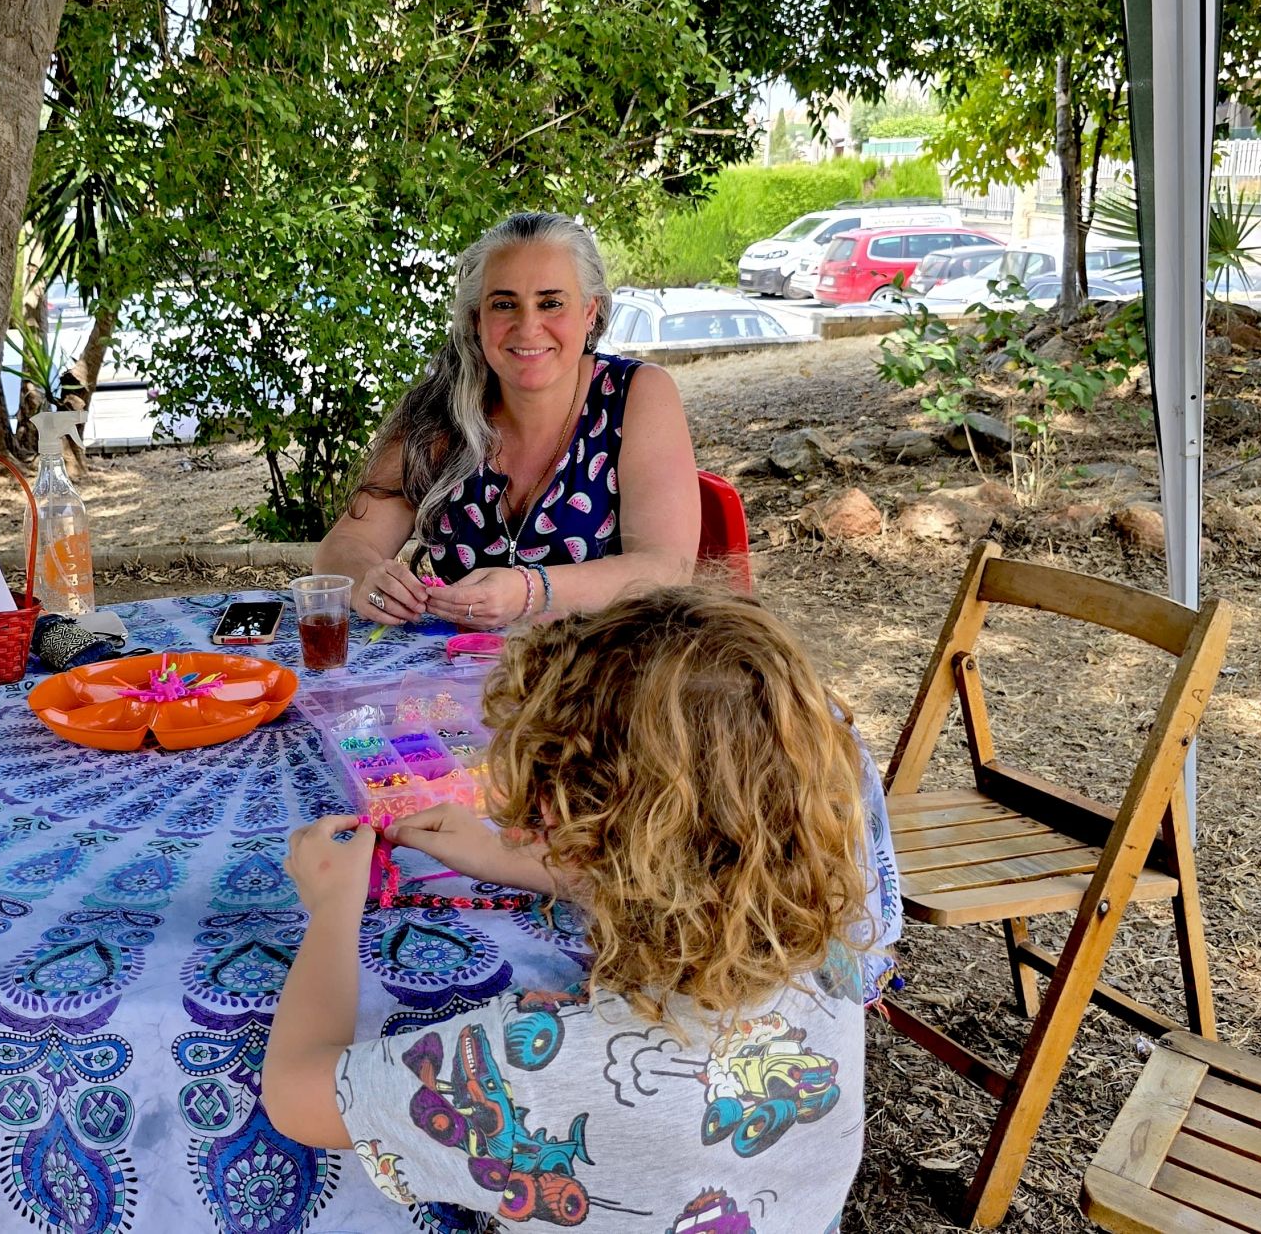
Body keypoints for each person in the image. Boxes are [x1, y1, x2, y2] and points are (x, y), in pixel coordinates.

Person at [265, 588, 901, 1231]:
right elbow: (700, 866)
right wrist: (515, 864)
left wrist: (332, 908)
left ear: (563, 818)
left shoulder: (537, 1067)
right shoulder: (835, 941)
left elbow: (297, 1095)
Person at [315, 212, 700, 630]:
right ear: (477, 319)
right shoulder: (441, 409)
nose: (528, 326)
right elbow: (346, 546)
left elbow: (666, 570)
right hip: (453, 680)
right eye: (504, 304)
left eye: (550, 303)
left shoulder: (636, 394)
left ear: (590, 312)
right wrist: (366, 581)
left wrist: (529, 590)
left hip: (601, 677)